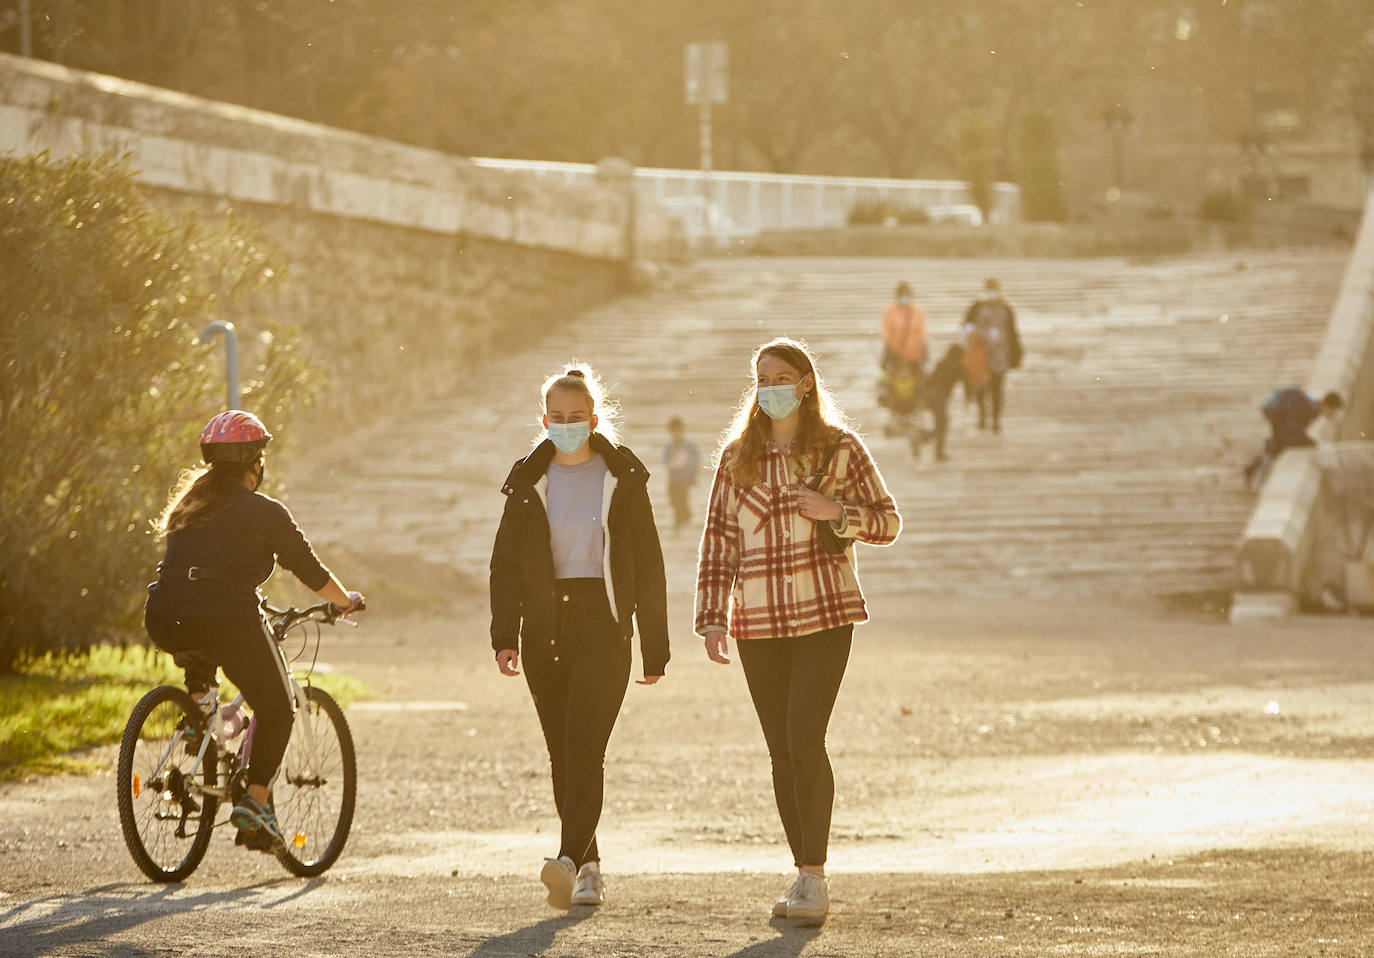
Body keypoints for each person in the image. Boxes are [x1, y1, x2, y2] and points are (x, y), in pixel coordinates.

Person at [694, 338, 901, 925]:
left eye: (782, 377)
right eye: (762, 378)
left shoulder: (841, 449)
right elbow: (719, 541)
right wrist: (712, 617)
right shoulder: (737, 458)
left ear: (807, 383)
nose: (771, 387)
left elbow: (889, 521)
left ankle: (815, 876)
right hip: (757, 623)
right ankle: (801, 873)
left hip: (825, 615)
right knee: (781, 750)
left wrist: (836, 513)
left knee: (804, 736)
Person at [489, 364, 669, 911]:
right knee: (561, 758)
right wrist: (504, 635)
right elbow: (505, 566)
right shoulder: (527, 482)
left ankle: (565, 861)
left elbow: (650, 563)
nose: (567, 426)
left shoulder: (622, 479)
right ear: (544, 420)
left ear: (594, 419)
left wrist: (654, 644)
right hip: (543, 626)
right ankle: (588, 867)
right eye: (557, 418)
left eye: (577, 418)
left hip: (603, 624)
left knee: (585, 749)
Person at [144, 410, 363, 852]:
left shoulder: (188, 506)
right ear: (254, 463)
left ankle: (199, 714)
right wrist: (343, 601)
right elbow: (307, 567)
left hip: (166, 615)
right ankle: (256, 802)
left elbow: (204, 567)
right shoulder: (264, 511)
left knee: (200, 644)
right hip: (224, 617)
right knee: (279, 707)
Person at [1243, 387, 1344, 488]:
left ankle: (1254, 469)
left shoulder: (1313, 408)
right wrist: (1308, 443)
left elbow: (1296, 428)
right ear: (1327, 406)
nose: (1332, 415)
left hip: (1277, 408)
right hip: (1276, 410)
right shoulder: (1310, 409)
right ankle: (1258, 477)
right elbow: (1293, 428)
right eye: (1333, 411)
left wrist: (1305, 441)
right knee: (1279, 445)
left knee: (1279, 445)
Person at [961, 277, 1022, 432]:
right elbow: (966, 329)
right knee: (981, 388)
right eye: (989, 290)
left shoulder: (1005, 308)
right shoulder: (976, 308)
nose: (992, 293)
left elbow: (1013, 333)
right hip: (981, 356)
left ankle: (995, 420)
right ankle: (982, 416)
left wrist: (1016, 354)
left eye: (994, 290)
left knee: (997, 389)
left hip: (1000, 355)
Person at [879, 281, 927, 437]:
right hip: (896, 356)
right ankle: (897, 416)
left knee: (914, 387)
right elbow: (886, 333)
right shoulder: (890, 312)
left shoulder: (918, 312)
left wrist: (921, 354)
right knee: (895, 387)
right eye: (902, 295)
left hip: (914, 356)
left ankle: (913, 415)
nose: (905, 298)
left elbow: (922, 334)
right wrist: (896, 351)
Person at [913, 342, 965, 461]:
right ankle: (928, 444)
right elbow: (966, 379)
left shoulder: (941, 363)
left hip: (931, 394)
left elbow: (931, 379)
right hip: (939, 396)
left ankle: (926, 442)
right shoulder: (956, 365)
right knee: (943, 424)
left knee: (941, 424)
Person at [662, 415, 702, 529]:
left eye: (678, 430)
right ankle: (683, 517)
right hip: (673, 479)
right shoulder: (669, 446)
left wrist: (694, 477)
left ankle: (681, 519)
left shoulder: (689, 445)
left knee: (682, 498)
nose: (676, 433)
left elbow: (696, 461)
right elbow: (665, 462)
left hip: (685, 478)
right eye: (673, 431)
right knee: (673, 499)